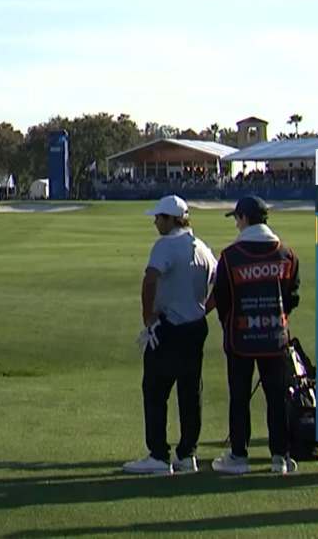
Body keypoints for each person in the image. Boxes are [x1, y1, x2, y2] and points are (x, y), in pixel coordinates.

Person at [124, 195, 217, 475]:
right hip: (195, 327)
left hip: (169, 328)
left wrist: (148, 317)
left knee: (155, 390)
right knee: (190, 392)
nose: (155, 222)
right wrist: (204, 309)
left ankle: (159, 456)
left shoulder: (165, 246)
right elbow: (220, 284)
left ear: (171, 219)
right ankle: (187, 455)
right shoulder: (202, 247)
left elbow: (150, 279)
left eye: (159, 218)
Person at [209, 195, 302, 475]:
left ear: (245, 218)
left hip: (240, 339)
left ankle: (239, 455)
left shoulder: (230, 257)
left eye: (237, 218)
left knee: (239, 397)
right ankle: (280, 457)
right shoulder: (287, 254)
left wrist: (231, 322)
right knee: (277, 397)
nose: (236, 224)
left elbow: (222, 299)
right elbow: (292, 296)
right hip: (275, 337)